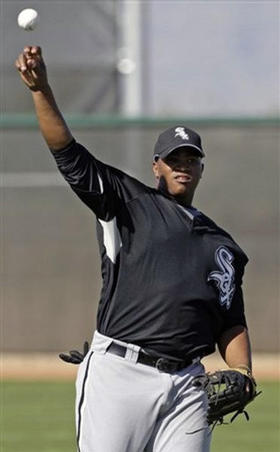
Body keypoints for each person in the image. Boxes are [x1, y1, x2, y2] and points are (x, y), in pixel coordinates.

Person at [15, 46, 253, 452]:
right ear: (156, 165)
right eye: (173, 157)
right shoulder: (126, 202)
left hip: (188, 384)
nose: (182, 164)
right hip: (121, 375)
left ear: (201, 168)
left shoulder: (223, 247)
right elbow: (67, 153)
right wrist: (41, 91)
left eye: (191, 158)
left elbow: (230, 320)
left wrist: (243, 370)